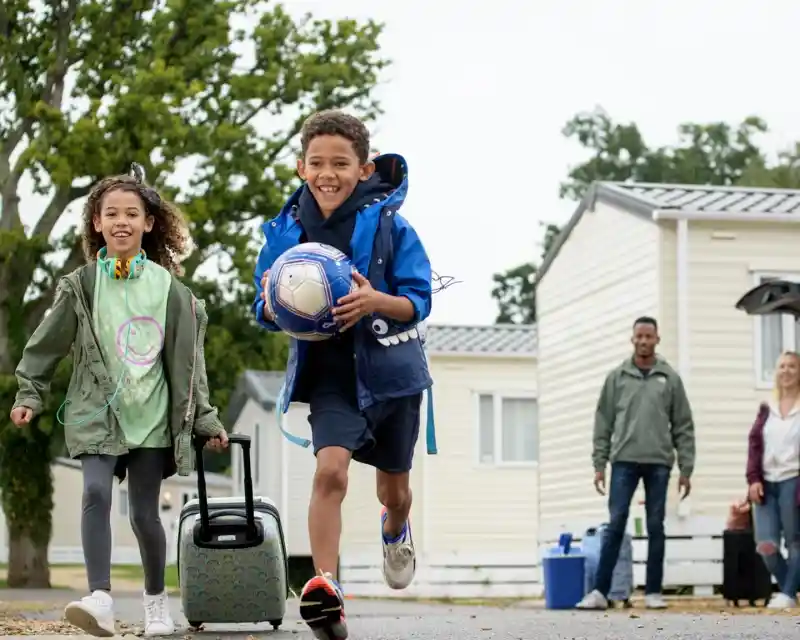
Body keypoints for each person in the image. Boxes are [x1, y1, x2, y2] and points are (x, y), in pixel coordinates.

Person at [9, 166, 229, 638]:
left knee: (144, 515)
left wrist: (205, 421)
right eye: (111, 213)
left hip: (150, 419)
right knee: (94, 492)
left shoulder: (173, 292)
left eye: (133, 213)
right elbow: (46, 344)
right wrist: (31, 391)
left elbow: (191, 367)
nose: (122, 221)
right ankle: (101, 598)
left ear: (149, 223)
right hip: (97, 415)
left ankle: (155, 605)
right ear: (96, 223)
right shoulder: (82, 286)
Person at [253, 110, 432, 640]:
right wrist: (269, 302)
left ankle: (395, 530)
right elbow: (262, 306)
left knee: (391, 493)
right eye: (317, 163)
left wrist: (376, 300)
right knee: (329, 472)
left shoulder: (392, 227)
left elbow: (417, 300)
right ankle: (325, 590)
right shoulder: (284, 233)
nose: (327, 173)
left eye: (340, 163)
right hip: (329, 377)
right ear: (300, 168)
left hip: (391, 376)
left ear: (364, 168)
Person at [576, 316, 696, 611]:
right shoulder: (617, 378)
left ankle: (654, 591)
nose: (643, 341)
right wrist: (599, 463)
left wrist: (686, 468)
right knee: (615, 524)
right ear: (632, 340)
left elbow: (683, 425)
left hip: (659, 463)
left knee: (656, 525)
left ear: (657, 339)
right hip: (623, 461)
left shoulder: (670, 378)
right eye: (639, 336)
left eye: (649, 336)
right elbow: (603, 422)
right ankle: (600, 592)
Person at [746, 350, 800, 609]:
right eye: (782, 366)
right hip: (766, 483)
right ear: (775, 372)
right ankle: (791, 587)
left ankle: (788, 593)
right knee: (765, 545)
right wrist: (753, 479)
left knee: (795, 541)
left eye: (792, 366)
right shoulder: (766, 407)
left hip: (794, 481)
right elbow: (754, 444)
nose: (786, 371)